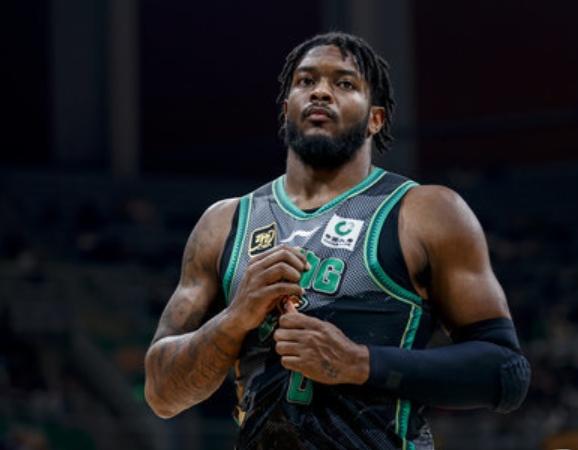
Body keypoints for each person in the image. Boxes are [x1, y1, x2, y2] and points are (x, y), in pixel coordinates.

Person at [144, 32, 530, 450]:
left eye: (344, 83)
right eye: (306, 81)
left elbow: (506, 371)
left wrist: (361, 363)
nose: (321, 92)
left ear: (375, 119)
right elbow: (162, 394)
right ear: (286, 108)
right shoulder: (224, 223)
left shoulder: (426, 211)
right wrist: (234, 319)